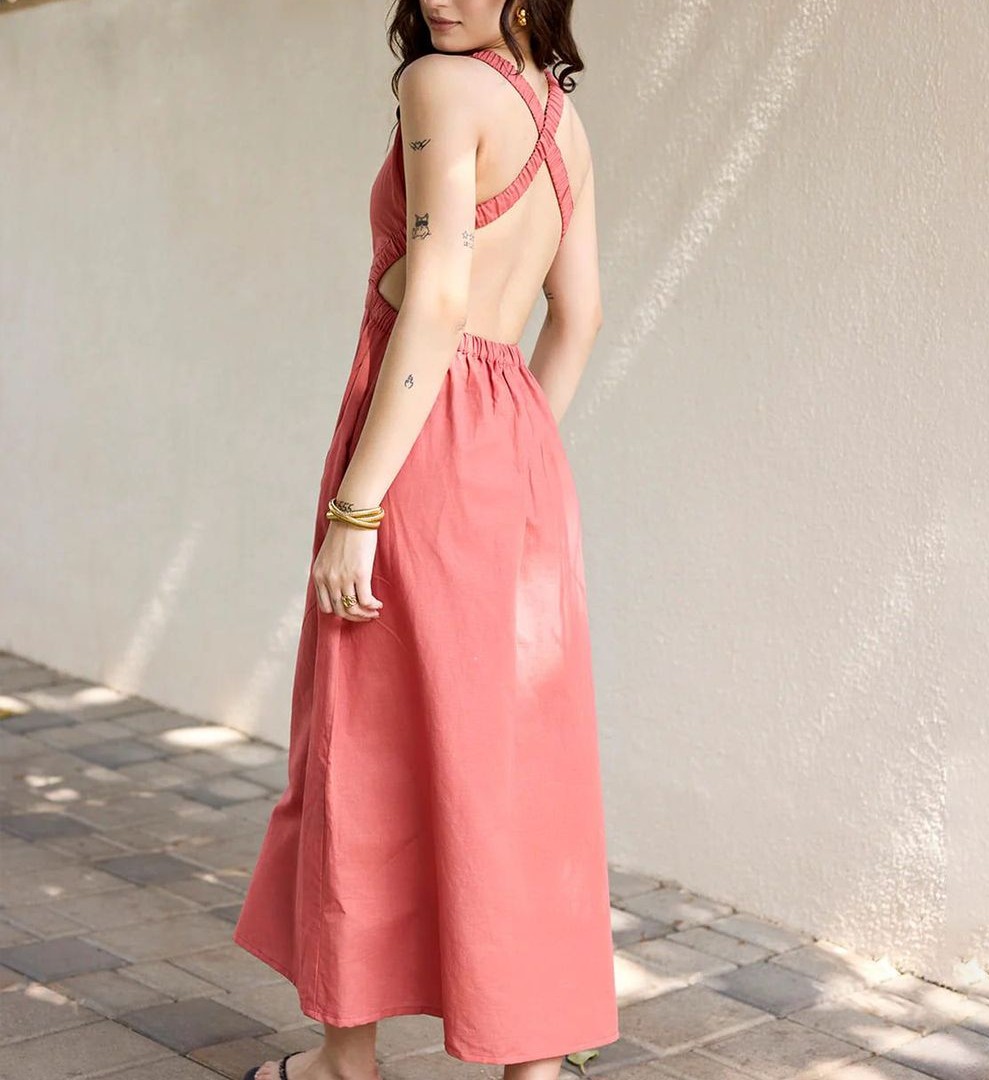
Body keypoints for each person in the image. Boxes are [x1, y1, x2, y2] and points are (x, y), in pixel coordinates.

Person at [233, 2, 617, 1078]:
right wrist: (512, 450)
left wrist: (360, 508)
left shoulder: (438, 86)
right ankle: (532, 1062)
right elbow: (579, 314)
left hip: (416, 440)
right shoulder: (564, 123)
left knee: (360, 745)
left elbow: (437, 297)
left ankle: (342, 1063)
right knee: (511, 757)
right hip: (513, 451)